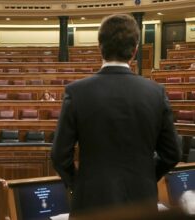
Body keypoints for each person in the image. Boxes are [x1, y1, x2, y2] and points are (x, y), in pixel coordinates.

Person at [51, 14, 181, 217]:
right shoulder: (156, 92)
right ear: (135, 49)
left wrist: (79, 184)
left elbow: (59, 155)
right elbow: (172, 153)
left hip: (90, 203)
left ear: (99, 47)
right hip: (141, 201)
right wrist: (145, 177)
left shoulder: (76, 92)